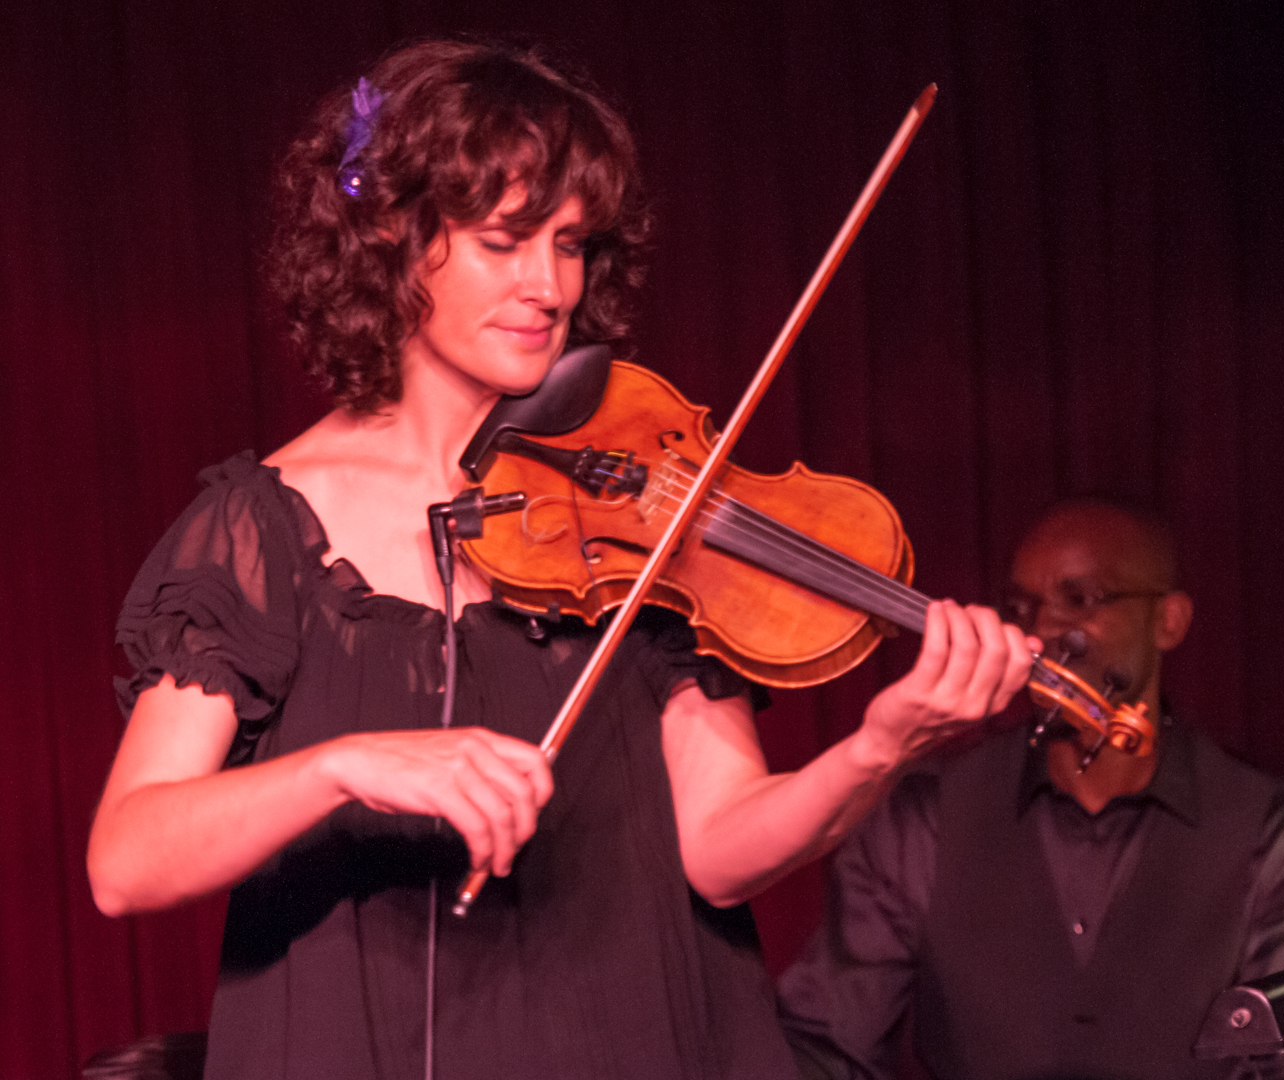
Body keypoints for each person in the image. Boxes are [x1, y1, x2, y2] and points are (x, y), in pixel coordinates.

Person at [84, 40, 1036, 1080]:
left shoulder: (631, 511)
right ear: (397, 240)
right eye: (505, 240)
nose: (549, 284)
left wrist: (878, 749)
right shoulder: (265, 525)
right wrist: (341, 765)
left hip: (630, 1036)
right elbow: (127, 862)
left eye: (572, 245)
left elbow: (719, 851)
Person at [777, 500, 1284, 1080]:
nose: (1042, 632)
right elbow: (831, 1045)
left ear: (1169, 620)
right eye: (1022, 607)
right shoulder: (925, 816)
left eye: (1081, 600)